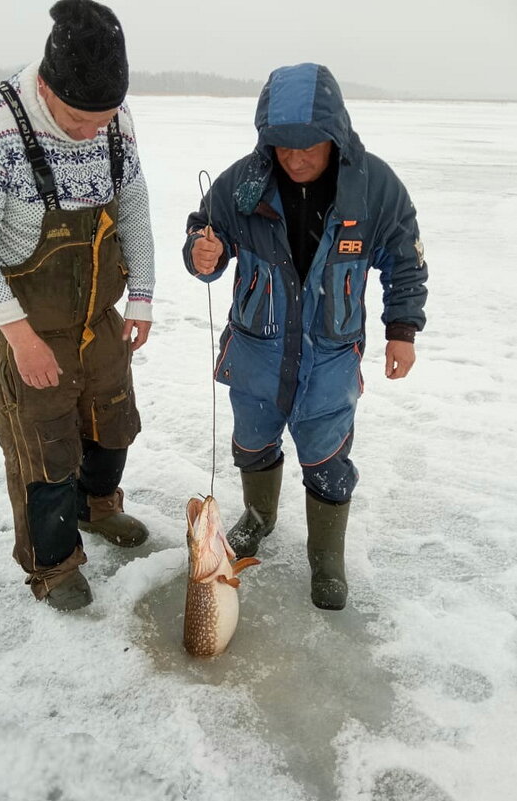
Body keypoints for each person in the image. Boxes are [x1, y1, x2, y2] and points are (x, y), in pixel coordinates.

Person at [183, 63, 427, 611]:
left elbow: (405, 260)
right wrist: (203, 253)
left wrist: (402, 330)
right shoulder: (243, 183)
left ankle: (327, 560)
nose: (294, 159)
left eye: (308, 147)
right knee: (251, 444)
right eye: (281, 146)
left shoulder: (373, 189)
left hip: (331, 358)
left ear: (335, 135)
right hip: (256, 353)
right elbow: (205, 236)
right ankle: (258, 517)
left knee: (327, 457)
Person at [0, 0, 155, 611]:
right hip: (29, 323)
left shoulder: (115, 119)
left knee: (111, 424)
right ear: (44, 85)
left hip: (100, 315)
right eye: (76, 119)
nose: (92, 131)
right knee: (45, 448)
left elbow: (133, 202)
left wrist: (140, 293)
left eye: (104, 119)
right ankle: (53, 564)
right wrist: (19, 336)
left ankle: (99, 507)